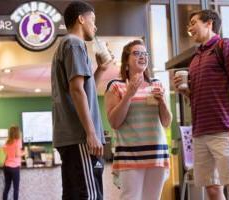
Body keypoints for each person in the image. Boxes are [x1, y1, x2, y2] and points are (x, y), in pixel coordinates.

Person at [173, 10, 229, 200]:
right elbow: (199, 97)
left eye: (193, 23)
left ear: (209, 23)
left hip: (225, 130)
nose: (189, 28)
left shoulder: (226, 46)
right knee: (212, 188)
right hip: (200, 133)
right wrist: (186, 92)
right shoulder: (195, 59)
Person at [51, 1, 108, 199]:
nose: (95, 26)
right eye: (93, 20)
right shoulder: (74, 43)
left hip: (72, 139)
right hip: (80, 137)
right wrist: (91, 133)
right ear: (81, 19)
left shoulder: (66, 45)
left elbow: (82, 88)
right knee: (90, 196)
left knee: (74, 195)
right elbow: (76, 90)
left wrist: (101, 69)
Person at [104, 40, 172, 200]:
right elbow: (114, 122)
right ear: (126, 60)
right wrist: (129, 94)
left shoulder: (157, 84)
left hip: (157, 154)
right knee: (131, 197)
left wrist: (162, 101)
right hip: (129, 155)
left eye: (144, 53)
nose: (142, 56)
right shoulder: (116, 86)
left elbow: (167, 122)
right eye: (136, 53)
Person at [3, 126, 23, 200]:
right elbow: (17, 154)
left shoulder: (7, 142)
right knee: (16, 189)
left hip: (6, 166)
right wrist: (24, 153)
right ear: (17, 132)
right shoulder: (18, 141)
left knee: (7, 187)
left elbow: (6, 153)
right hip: (14, 167)